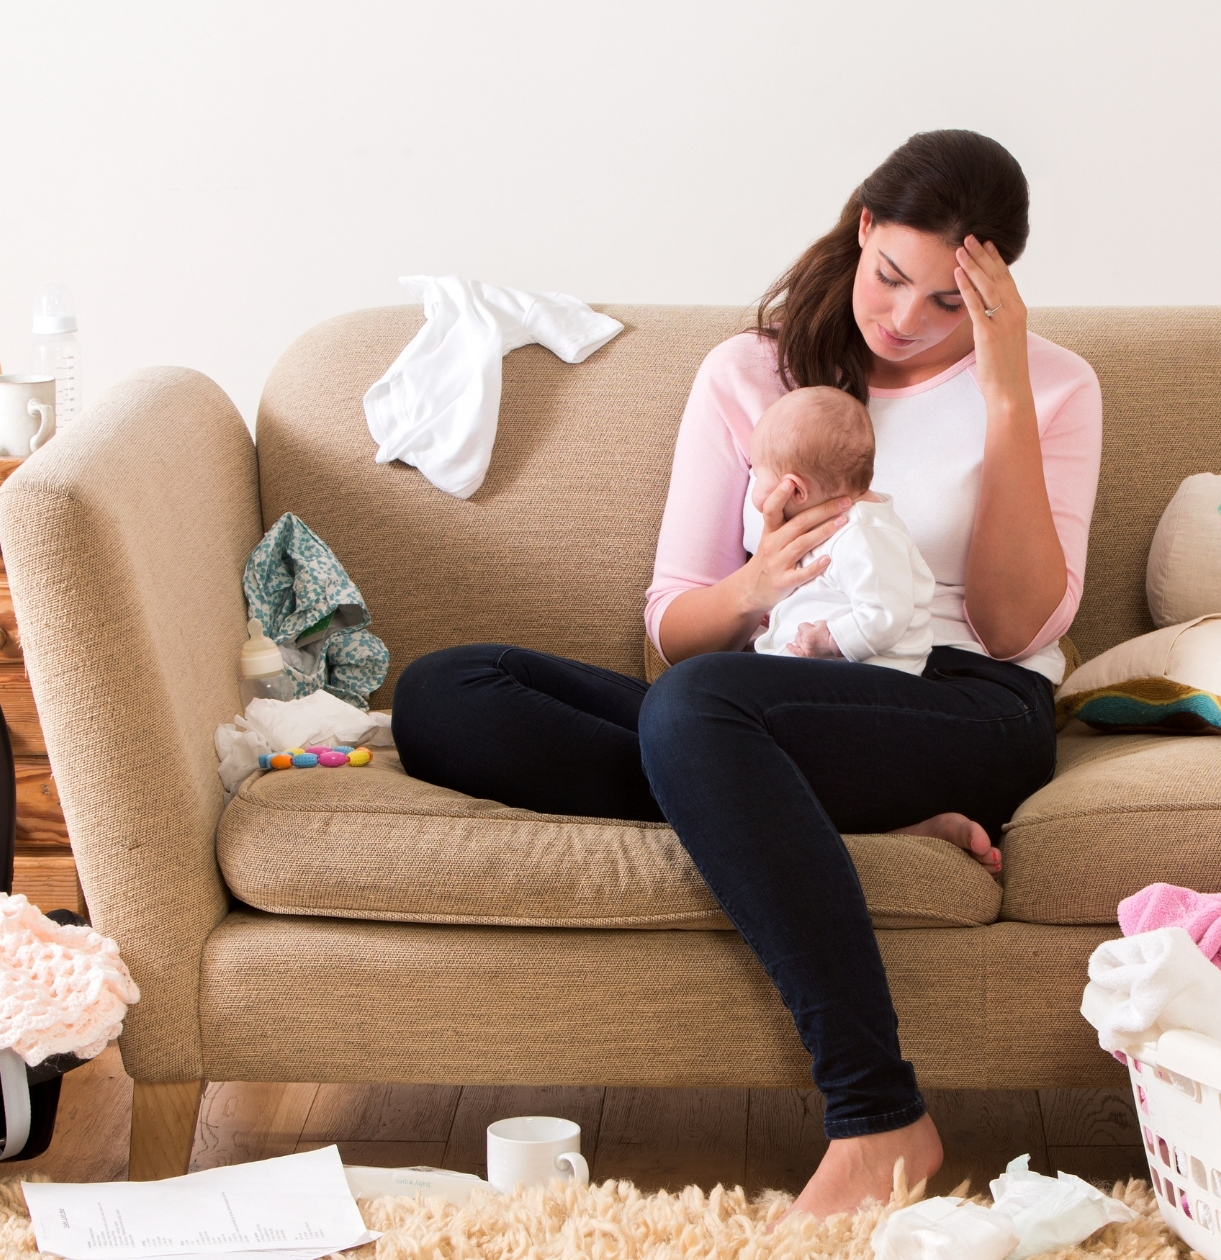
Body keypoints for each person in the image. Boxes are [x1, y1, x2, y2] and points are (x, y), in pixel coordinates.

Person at [392, 129, 1102, 1216]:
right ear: (862, 230)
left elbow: (1014, 629)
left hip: (967, 706)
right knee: (447, 693)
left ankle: (879, 1118)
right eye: (889, 278)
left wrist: (1001, 390)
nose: (904, 320)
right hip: (767, 696)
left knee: (697, 715)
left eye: (946, 304)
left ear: (995, 291)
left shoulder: (1053, 387)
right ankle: (812, 809)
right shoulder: (750, 373)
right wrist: (755, 584)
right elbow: (675, 630)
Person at [745, 385, 935, 674]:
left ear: (795, 490)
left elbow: (887, 613)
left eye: (758, 475)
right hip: (817, 670)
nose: (755, 489)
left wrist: (830, 640)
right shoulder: (830, 529)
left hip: (868, 676)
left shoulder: (864, 534)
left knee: (700, 683)